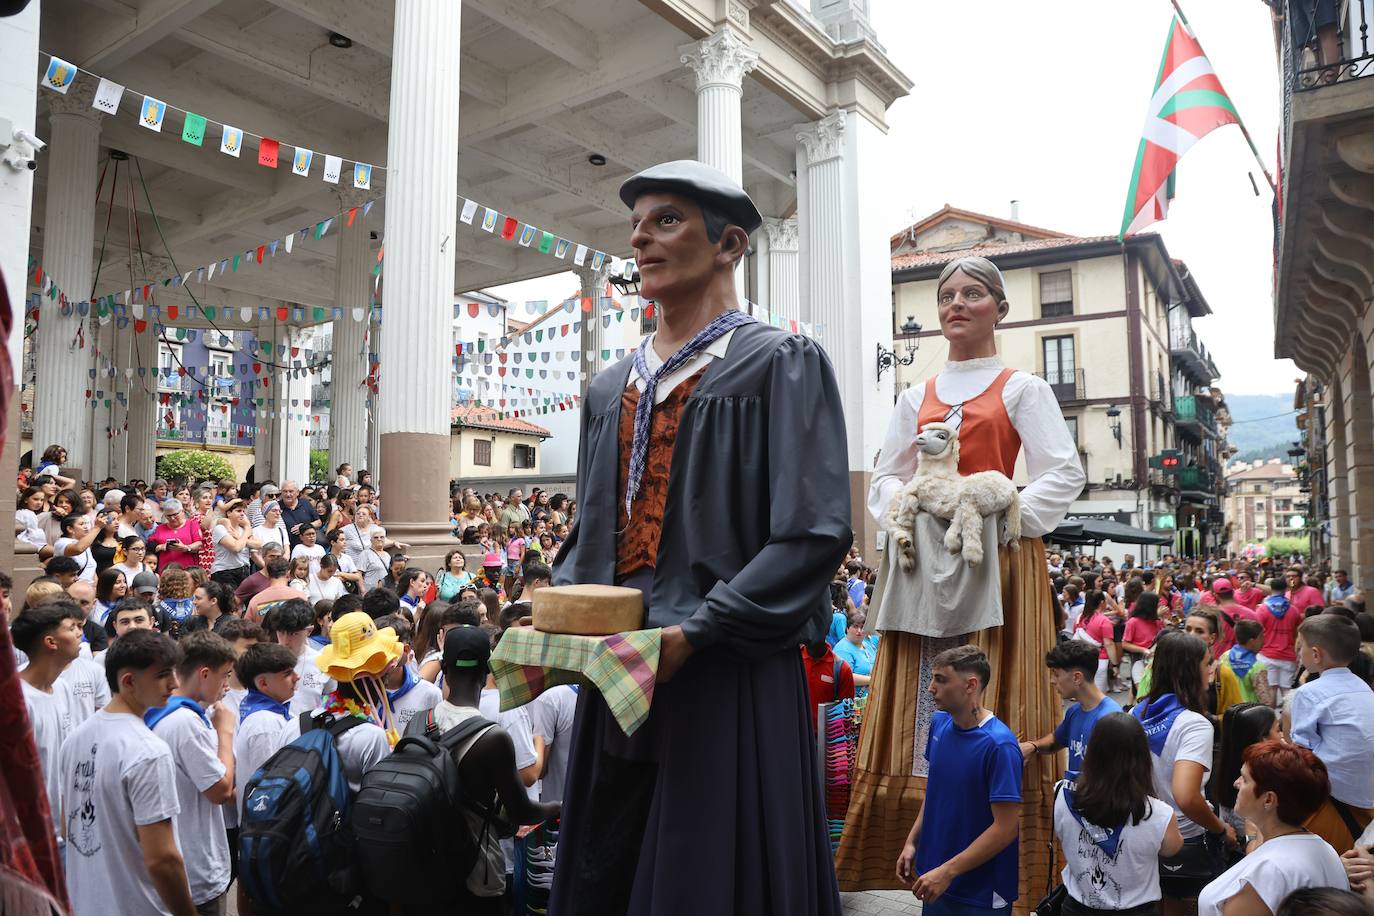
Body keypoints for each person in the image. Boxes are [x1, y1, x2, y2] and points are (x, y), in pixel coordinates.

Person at [549, 160, 851, 914]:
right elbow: (589, 534)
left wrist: (697, 632)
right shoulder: (608, 387)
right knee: (607, 872)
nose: (640, 239)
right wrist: (556, 612)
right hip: (619, 671)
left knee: (711, 876)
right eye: (636, 225)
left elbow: (813, 534)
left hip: (726, 671)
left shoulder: (780, 362)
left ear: (730, 244)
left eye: (666, 220)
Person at [58, 629, 197, 916]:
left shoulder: (75, 738)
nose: (174, 684)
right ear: (129, 681)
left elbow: (66, 825)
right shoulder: (148, 751)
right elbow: (163, 859)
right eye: (162, 675)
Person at [421, 624, 561, 911]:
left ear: (444, 670)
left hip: (430, 866)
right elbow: (522, 812)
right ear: (487, 669)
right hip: (477, 871)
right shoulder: (493, 738)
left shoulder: (421, 721)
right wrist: (559, 807)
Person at [896, 646, 1021, 913]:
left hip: (979, 891)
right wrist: (912, 842)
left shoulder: (999, 745)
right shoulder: (939, 724)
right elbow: (935, 791)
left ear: (970, 685)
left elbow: (1006, 828)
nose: (931, 688)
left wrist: (948, 871)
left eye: (941, 680)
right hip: (934, 878)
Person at [1133, 629, 1234, 914]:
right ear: (1189, 670)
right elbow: (1186, 796)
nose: (1212, 669)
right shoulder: (1195, 725)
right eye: (1207, 663)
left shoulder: (1135, 714)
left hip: (1140, 832)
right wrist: (1220, 828)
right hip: (1185, 839)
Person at [144, 631, 238, 916]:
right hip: (195, 866)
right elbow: (220, 790)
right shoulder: (185, 722)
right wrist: (225, 731)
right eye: (225, 675)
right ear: (204, 674)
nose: (227, 685)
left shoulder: (166, 710)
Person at [1053, 712, 1184, 914]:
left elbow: (1060, 834)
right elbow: (1171, 849)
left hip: (1075, 909)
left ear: (1092, 752)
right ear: (1142, 757)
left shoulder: (1062, 793)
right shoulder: (1159, 814)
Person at [1197, 740, 1348, 915]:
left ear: (1268, 800)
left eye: (1245, 779)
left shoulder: (1269, 870)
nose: (1236, 783)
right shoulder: (1325, 849)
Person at [1291, 614, 1374, 852]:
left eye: (1301, 648)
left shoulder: (1308, 692)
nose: (1299, 654)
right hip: (1366, 794)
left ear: (1316, 654)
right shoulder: (1364, 688)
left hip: (1334, 796)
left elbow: (1302, 750)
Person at [13, 601, 82, 830]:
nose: (79, 633)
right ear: (51, 642)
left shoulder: (61, 687)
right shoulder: (18, 701)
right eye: (71, 628)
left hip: (65, 827)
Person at [1020, 640, 1122, 786]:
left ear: (1077, 677)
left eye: (1056, 674)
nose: (1052, 681)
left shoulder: (1110, 719)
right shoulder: (1074, 712)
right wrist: (1033, 746)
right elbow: (1057, 740)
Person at [1213, 703, 1282, 835]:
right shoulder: (1267, 780)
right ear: (1263, 740)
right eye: (1278, 730)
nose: (1282, 735)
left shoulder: (1226, 768)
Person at [371, 613, 442, 733]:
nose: (381, 657)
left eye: (388, 650)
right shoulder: (363, 691)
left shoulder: (429, 694)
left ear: (406, 650)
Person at [1259, 577, 1300, 705]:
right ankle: (1289, 717)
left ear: (1271, 589)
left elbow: (1258, 631)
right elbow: (1297, 633)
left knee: (1271, 689)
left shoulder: (1262, 609)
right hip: (1288, 655)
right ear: (1285, 589)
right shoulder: (1294, 610)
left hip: (1267, 654)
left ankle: (1271, 718)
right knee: (1287, 691)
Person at [1224, 618, 1274, 706]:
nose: (1264, 641)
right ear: (1252, 641)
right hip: (1249, 711)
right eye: (1261, 637)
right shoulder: (1256, 666)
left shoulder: (1224, 657)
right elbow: (1266, 699)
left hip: (1228, 709)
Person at [245, 555, 307, 623]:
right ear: (288, 573)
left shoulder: (256, 600)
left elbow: (247, 626)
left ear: (268, 574)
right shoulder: (300, 596)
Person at [147, 500, 203, 573]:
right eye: (169, 516)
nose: (172, 518)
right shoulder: (160, 528)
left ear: (182, 511)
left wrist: (186, 548)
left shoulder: (192, 525)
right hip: (165, 570)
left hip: (188, 570)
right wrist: (161, 547)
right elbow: (150, 545)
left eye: (175, 514)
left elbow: (199, 544)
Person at [276, 480, 321, 548]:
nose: (288, 494)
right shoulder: (276, 507)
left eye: (291, 491)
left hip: (307, 547)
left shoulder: (305, 503)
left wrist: (304, 526)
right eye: (285, 491)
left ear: (297, 493)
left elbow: (318, 522)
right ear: (281, 492)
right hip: (285, 548)